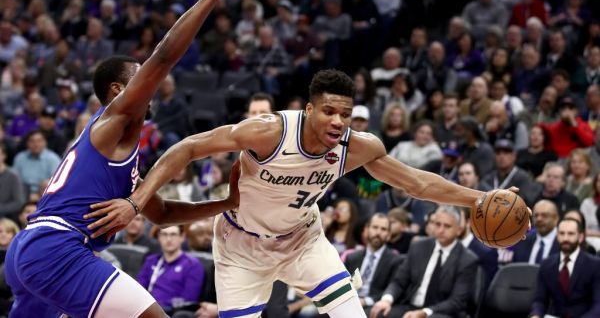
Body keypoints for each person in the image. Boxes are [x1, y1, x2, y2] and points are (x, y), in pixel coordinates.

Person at [87, 69, 506, 318]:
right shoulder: (269, 131)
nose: (338, 121)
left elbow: (416, 183)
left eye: (346, 113)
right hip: (240, 248)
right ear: (309, 110)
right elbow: (188, 148)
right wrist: (136, 201)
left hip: (303, 241)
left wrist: (477, 200)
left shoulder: (359, 147)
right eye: (329, 111)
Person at [4, 0, 236, 318]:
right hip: (59, 247)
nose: (151, 82)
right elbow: (162, 58)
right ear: (117, 90)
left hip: (32, 249)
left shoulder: (119, 150)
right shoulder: (115, 118)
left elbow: (160, 213)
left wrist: (226, 203)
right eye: (138, 76)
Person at [369, 205, 478, 318]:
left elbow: (456, 302)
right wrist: (387, 300)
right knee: (379, 312)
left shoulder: (467, 260)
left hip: (440, 313)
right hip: (410, 306)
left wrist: (425, 312)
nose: (441, 230)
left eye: (447, 226)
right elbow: (399, 281)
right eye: (437, 224)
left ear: (459, 230)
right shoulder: (419, 246)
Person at [530, 218, 600, 318]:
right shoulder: (547, 264)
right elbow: (540, 300)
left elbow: (598, 305)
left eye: (570, 234)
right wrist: (536, 314)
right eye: (562, 233)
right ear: (557, 235)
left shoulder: (595, 265)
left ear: (580, 237)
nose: (565, 238)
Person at [137, 225, 205, 314]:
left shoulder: (192, 265)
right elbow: (139, 289)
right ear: (159, 237)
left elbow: (188, 300)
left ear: (182, 237)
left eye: (173, 234)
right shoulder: (151, 260)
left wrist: (158, 306)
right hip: (144, 309)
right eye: (164, 234)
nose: (168, 239)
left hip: (169, 312)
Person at [344, 213, 403, 313]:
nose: (378, 232)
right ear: (367, 230)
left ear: (388, 235)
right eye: (375, 227)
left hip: (372, 305)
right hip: (348, 301)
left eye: (383, 229)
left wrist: (365, 301)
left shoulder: (396, 260)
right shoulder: (352, 257)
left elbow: (391, 289)